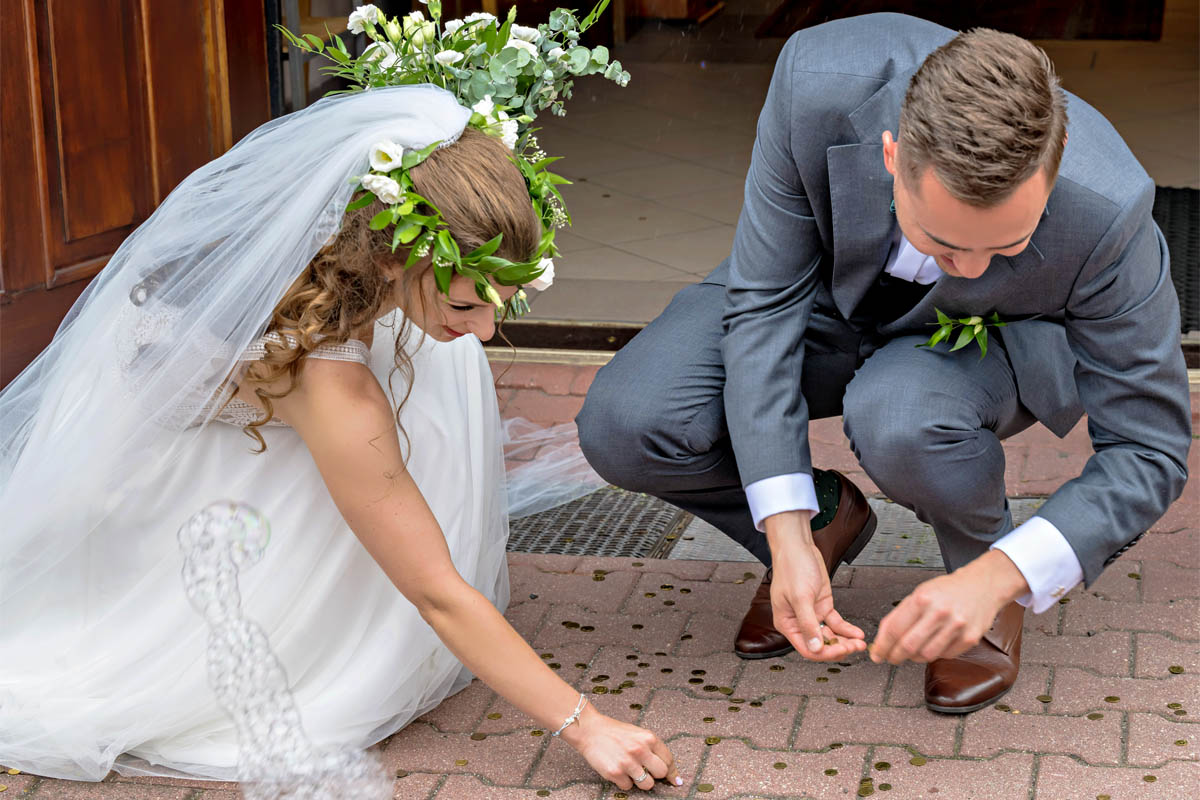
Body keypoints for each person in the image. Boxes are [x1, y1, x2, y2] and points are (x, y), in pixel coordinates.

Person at [0, 7, 680, 793]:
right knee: (381, 501)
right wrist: (585, 724)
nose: (488, 331)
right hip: (154, 441)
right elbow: (436, 592)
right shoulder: (332, 385)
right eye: (464, 307)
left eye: (501, 304)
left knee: (415, 389)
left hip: (221, 374)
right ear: (393, 259)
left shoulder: (350, 246)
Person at [578, 13, 1191, 714]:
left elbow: (1149, 448)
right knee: (627, 420)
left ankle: (977, 581)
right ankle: (819, 526)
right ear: (892, 155)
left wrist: (1004, 573)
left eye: (1007, 246)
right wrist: (783, 523)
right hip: (819, 296)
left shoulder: (1112, 209)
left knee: (901, 418)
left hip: (992, 340)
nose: (966, 267)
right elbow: (767, 304)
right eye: (941, 240)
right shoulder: (815, 80)